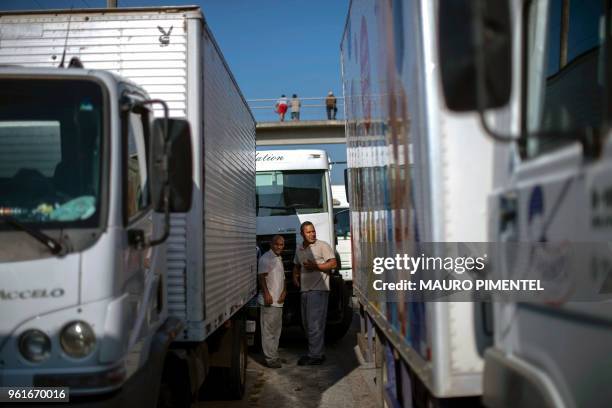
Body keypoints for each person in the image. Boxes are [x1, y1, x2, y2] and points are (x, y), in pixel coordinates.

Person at [292, 221, 337, 365]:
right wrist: (295, 276)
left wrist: (315, 266)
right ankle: (317, 353)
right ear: (302, 234)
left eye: (313, 231)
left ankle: (316, 356)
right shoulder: (299, 248)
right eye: (308, 232)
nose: (312, 234)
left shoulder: (322, 246)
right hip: (305, 290)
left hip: (319, 290)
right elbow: (296, 265)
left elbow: (333, 263)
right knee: (306, 324)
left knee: (315, 324)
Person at [258, 235, 287, 368]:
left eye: (281, 245)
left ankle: (274, 356)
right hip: (269, 301)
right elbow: (261, 277)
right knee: (268, 332)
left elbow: (283, 278)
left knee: (276, 331)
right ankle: (270, 359)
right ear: (271, 244)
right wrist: (266, 294)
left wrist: (284, 291)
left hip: (279, 301)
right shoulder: (265, 258)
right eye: (277, 244)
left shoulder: (279, 258)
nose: (279, 247)